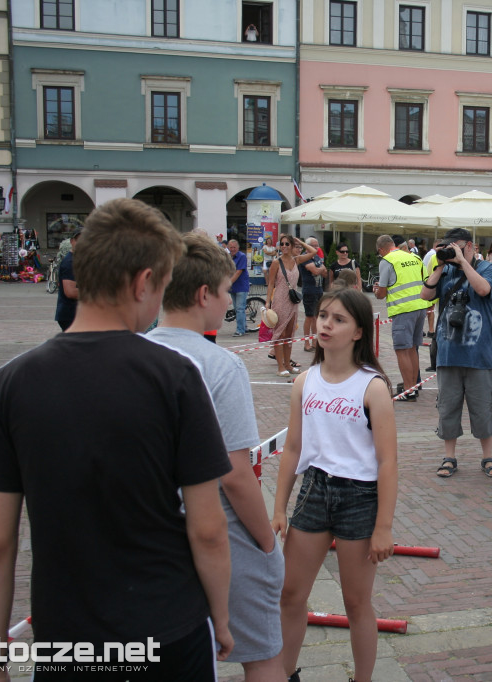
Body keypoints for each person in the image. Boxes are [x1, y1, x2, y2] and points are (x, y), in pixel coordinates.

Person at [0, 198, 234, 679]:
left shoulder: (12, 382)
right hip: (168, 625)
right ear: (142, 284)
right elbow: (208, 528)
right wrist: (219, 615)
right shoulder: (175, 376)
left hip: (66, 636)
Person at [148, 232, 285, 682]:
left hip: (152, 533)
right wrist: (266, 541)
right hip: (220, 530)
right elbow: (235, 474)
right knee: (262, 654)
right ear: (204, 294)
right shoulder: (219, 364)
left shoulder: (135, 354)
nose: (227, 299)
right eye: (226, 291)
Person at [272, 287, 397, 682]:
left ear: (359, 331)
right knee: (290, 595)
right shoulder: (305, 381)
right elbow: (292, 448)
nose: (327, 324)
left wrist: (384, 527)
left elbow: (388, 462)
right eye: (324, 315)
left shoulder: (372, 387)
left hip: (360, 497)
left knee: (356, 603)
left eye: (339, 319)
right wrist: (278, 507)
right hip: (314, 490)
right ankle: (283, 673)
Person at [420, 228, 492, 479]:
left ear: (469, 246)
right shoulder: (444, 271)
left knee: (482, 408)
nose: (451, 251)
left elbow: (484, 290)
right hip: (448, 353)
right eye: (447, 247)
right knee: (448, 408)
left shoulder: (486, 267)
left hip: (478, 355)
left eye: (455, 246)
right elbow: (425, 295)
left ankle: (487, 457)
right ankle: (449, 457)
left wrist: (463, 262)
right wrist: (439, 265)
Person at [374, 234, 427, 401]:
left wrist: (376, 291)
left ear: (381, 249)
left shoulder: (387, 261)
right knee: (412, 348)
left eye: (379, 252)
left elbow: (381, 293)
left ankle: (408, 389)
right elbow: (426, 280)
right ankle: (413, 386)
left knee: (402, 349)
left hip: (403, 309)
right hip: (420, 307)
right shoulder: (414, 257)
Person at [266, 235, 316, 377]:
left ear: (292, 245)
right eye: (282, 244)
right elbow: (270, 283)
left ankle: (288, 364)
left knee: (289, 334)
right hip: (280, 300)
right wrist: (268, 302)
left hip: (292, 302)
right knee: (279, 334)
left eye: (287, 244)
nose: (284, 246)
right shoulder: (276, 263)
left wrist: (300, 242)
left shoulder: (296, 260)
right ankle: (280, 366)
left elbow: (313, 252)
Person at [298, 237, 327, 352]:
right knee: (309, 316)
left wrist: (320, 269)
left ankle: (315, 341)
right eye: (314, 245)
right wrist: (321, 268)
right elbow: (315, 271)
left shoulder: (317, 257)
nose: (316, 248)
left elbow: (324, 273)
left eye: (317, 245)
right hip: (309, 290)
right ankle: (306, 342)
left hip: (319, 289)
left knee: (317, 316)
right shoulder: (305, 258)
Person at [54, 230, 81, 331]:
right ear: (71, 241)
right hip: (70, 314)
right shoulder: (70, 262)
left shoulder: (79, 259)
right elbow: (71, 292)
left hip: (76, 313)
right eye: (78, 240)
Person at [228, 239, 251, 337]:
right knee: (237, 308)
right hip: (233, 287)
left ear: (237, 248)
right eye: (231, 247)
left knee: (240, 309)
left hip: (241, 286)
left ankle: (240, 330)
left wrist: (228, 283)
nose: (232, 249)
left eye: (234, 247)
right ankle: (244, 327)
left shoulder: (241, 256)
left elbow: (238, 272)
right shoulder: (229, 257)